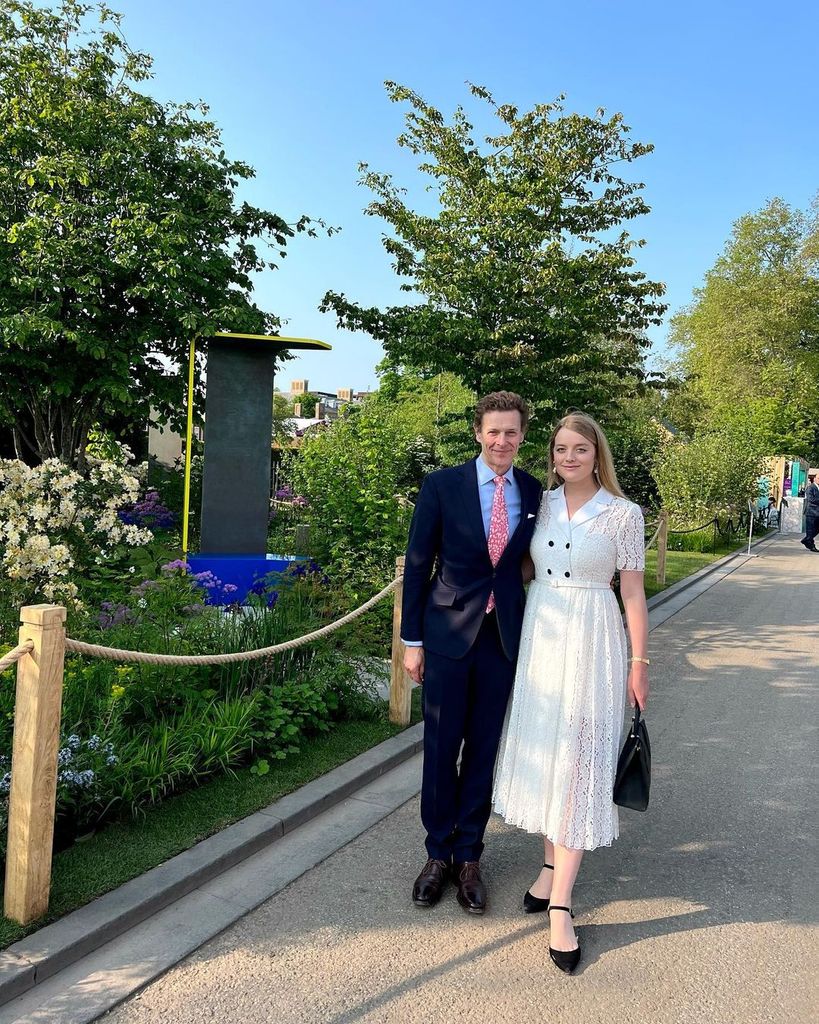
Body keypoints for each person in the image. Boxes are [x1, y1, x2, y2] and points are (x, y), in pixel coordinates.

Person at [493, 411, 649, 974]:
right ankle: (548, 870)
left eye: (580, 448)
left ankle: (561, 905)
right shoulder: (543, 504)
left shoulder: (623, 515)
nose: (569, 456)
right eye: (560, 448)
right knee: (547, 756)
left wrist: (639, 662)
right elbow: (521, 565)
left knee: (580, 759)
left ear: (596, 453)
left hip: (592, 639)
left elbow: (632, 595)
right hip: (543, 634)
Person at [402, 391, 543, 914]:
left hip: (502, 639)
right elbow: (418, 564)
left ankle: (469, 858)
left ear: (522, 436)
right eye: (493, 431)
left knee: (483, 748)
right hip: (445, 636)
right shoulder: (442, 485)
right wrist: (411, 642)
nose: (502, 440)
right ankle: (437, 855)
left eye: (511, 432)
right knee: (441, 748)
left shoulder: (533, 491)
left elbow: (532, 561)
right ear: (478, 434)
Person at [801, 473, 819, 552]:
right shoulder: (810, 488)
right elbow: (811, 499)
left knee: (817, 529)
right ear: (815, 478)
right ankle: (811, 545)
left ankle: (806, 540)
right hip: (811, 512)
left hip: (817, 513)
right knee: (810, 530)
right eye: (818, 478)